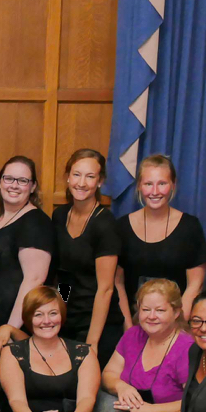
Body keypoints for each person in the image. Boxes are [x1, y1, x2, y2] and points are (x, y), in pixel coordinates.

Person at [101, 279, 192, 412]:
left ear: (176, 313)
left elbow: (196, 402)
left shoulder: (187, 348)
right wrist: (121, 386)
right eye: (145, 310)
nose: (151, 316)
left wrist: (149, 410)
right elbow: (108, 374)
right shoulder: (132, 335)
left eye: (160, 310)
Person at [0, 156, 53, 339]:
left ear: (32, 187)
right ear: (0, 182)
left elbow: (33, 280)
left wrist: (10, 328)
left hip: (14, 325)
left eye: (22, 181)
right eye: (9, 178)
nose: (14, 185)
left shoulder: (36, 223)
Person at [50, 149, 122, 365]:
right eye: (77, 174)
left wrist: (92, 342)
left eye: (90, 177)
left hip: (98, 322)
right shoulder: (59, 215)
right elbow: (64, 276)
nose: (81, 183)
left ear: (100, 182)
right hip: (68, 317)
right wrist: (60, 314)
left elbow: (106, 289)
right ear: (68, 177)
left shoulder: (105, 224)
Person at [116, 154, 206, 321]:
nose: (155, 191)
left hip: (177, 325)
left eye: (162, 184)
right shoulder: (122, 227)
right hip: (132, 324)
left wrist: (175, 326)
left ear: (173, 185)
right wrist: (128, 328)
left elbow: (195, 285)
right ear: (139, 186)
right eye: (148, 184)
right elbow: (118, 284)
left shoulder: (190, 227)